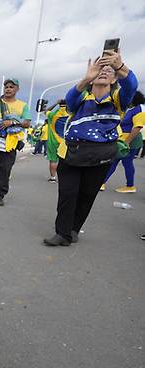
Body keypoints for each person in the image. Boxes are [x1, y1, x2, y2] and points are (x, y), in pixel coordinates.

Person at [44, 50, 137, 246]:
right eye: (100, 69)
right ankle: (62, 233)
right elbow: (70, 100)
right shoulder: (80, 99)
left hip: (100, 156)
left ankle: (74, 228)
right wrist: (86, 79)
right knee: (67, 194)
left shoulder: (118, 101)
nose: (104, 71)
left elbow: (132, 85)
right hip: (72, 154)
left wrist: (120, 66)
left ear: (114, 80)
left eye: (109, 70)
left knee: (86, 196)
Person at [0, 78, 31, 206]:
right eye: (6, 86)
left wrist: (13, 122)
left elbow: (27, 123)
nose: (8, 89)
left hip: (10, 141)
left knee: (5, 169)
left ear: (17, 89)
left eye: (11, 87)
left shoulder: (22, 105)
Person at [101, 90, 144, 193]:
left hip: (130, 140)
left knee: (122, 162)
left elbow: (137, 127)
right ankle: (103, 183)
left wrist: (127, 142)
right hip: (122, 140)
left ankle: (130, 186)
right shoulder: (131, 109)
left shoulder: (139, 110)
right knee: (116, 162)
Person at [45, 100, 69, 183]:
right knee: (66, 161)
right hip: (66, 141)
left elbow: (46, 111)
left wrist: (55, 103)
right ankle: (65, 178)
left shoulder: (52, 114)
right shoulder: (71, 114)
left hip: (53, 141)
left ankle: (53, 177)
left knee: (53, 160)